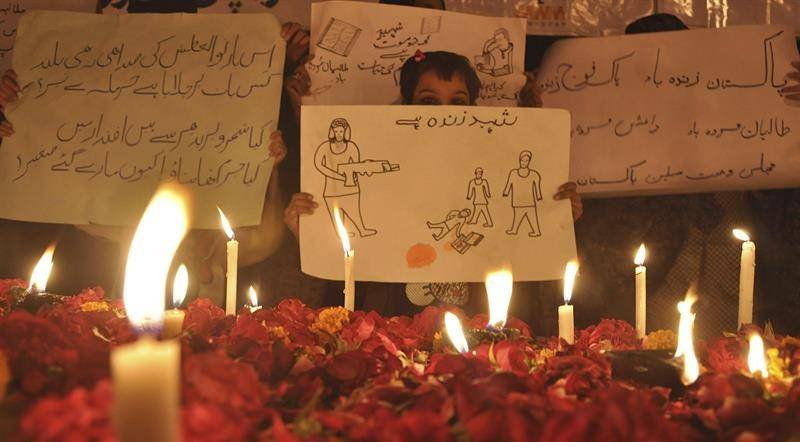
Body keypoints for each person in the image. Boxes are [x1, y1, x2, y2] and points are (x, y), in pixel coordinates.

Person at [0, 22, 313, 306]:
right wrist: (270, 160)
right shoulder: (249, 240)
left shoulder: (115, 222)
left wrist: (21, 112)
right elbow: (272, 209)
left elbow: (55, 179)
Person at [284, 50, 582, 318]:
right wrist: (312, 234)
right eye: (429, 101)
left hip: (482, 321)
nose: (444, 112)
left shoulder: (499, 165)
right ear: (407, 105)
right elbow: (351, 265)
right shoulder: (382, 169)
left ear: (474, 107)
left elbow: (521, 248)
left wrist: (556, 216)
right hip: (393, 320)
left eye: (458, 101)